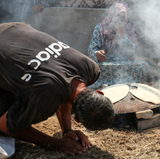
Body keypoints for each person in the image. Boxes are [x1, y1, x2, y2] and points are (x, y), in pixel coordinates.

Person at [0, 22, 115, 156]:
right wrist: (54, 143)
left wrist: (67, 131)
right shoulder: (45, 97)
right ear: (77, 119)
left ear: (100, 92)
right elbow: (4, 125)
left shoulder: (90, 68)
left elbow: (67, 91)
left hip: (13, 27)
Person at [88, 2, 149, 89]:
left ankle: (128, 83)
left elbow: (134, 51)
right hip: (107, 65)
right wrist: (97, 54)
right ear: (112, 15)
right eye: (118, 15)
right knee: (91, 69)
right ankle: (105, 84)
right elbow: (92, 49)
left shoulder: (130, 28)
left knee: (143, 66)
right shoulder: (100, 28)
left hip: (127, 64)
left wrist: (123, 35)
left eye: (123, 16)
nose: (120, 19)